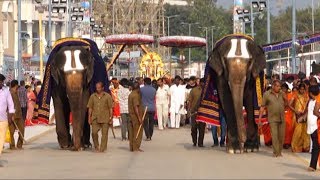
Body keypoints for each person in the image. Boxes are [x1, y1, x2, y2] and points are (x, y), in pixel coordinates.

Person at [259, 80, 287, 157]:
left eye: (280, 86)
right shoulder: (267, 94)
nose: (279, 88)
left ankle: (279, 151)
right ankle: (276, 152)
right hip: (272, 118)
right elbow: (262, 107)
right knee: (274, 136)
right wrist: (260, 119)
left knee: (281, 136)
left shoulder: (282, 94)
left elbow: (287, 104)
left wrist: (285, 98)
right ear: (273, 86)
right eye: (277, 86)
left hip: (282, 118)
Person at [87, 82, 113, 152]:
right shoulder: (92, 96)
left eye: (99, 88)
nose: (97, 89)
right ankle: (96, 146)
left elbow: (110, 108)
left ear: (102, 88)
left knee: (104, 134)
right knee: (94, 133)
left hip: (105, 118)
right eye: (96, 88)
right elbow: (90, 107)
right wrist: (89, 117)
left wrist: (111, 118)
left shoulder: (107, 96)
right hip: (95, 118)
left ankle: (102, 148)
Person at [289, 83, 310, 153]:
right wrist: (295, 111)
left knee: (305, 131)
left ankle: (305, 147)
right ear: (299, 89)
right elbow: (289, 105)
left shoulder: (307, 96)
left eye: (303, 89)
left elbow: (309, 105)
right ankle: (295, 146)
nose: (302, 91)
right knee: (298, 131)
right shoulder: (295, 95)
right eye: (301, 89)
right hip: (297, 116)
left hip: (305, 115)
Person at [0, 74, 15, 167]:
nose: (0, 83)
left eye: (1, 81)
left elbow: (11, 105)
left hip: (3, 120)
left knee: (1, 141)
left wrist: (10, 116)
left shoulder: (6, 92)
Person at [188, 78, 206, 147]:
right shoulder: (194, 90)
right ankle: (194, 141)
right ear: (200, 83)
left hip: (203, 112)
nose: (203, 84)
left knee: (202, 128)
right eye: (202, 83)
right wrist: (188, 111)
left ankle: (200, 143)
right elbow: (190, 101)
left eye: (204, 83)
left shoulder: (206, 91)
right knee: (194, 128)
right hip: (194, 112)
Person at [306, 85, 320, 172]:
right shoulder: (314, 101)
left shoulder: (313, 101)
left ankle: (313, 165)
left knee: (316, 145)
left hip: (313, 125)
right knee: (316, 145)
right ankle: (312, 165)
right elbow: (314, 112)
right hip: (314, 125)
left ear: (310, 93)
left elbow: (313, 112)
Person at [9, 80, 25, 150]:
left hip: (19, 115)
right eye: (17, 87)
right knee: (11, 132)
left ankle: (19, 144)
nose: (17, 89)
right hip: (12, 116)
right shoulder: (9, 94)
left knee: (22, 129)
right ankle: (12, 145)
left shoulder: (16, 93)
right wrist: (11, 115)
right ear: (15, 86)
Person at [128, 82, 144, 152]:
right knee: (138, 132)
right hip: (135, 116)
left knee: (132, 132)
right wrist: (139, 118)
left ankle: (132, 147)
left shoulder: (131, 94)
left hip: (131, 115)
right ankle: (136, 147)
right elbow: (136, 107)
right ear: (138, 88)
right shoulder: (136, 95)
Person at [281, 83, 294, 149]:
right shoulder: (278, 95)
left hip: (288, 114)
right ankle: (282, 142)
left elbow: (287, 104)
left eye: (284, 89)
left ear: (287, 89)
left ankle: (287, 143)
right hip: (280, 113)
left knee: (288, 129)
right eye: (282, 88)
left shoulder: (290, 95)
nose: (283, 90)